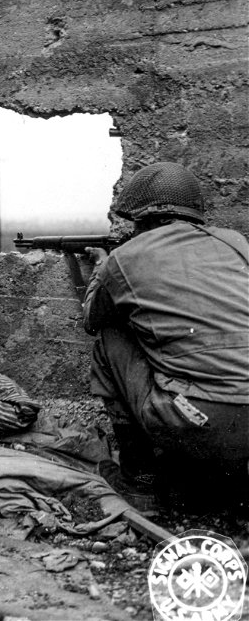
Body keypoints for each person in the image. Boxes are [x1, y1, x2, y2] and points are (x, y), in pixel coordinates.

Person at [82, 162, 249, 507]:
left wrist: (104, 267)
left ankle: (139, 482)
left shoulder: (124, 258)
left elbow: (92, 319)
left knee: (110, 337)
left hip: (200, 421)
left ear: (143, 220)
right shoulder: (235, 243)